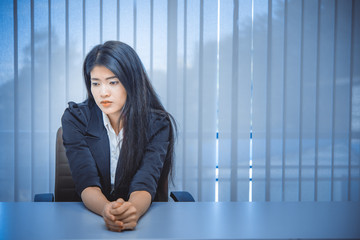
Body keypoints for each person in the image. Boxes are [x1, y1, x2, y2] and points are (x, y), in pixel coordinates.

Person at [61, 41, 176, 232]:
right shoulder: (75, 118)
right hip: (85, 224)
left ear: (131, 81)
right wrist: (107, 209)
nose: (103, 92)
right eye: (95, 83)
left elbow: (144, 183)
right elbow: (87, 182)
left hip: (144, 224)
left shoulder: (157, 124)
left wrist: (132, 212)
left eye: (113, 82)